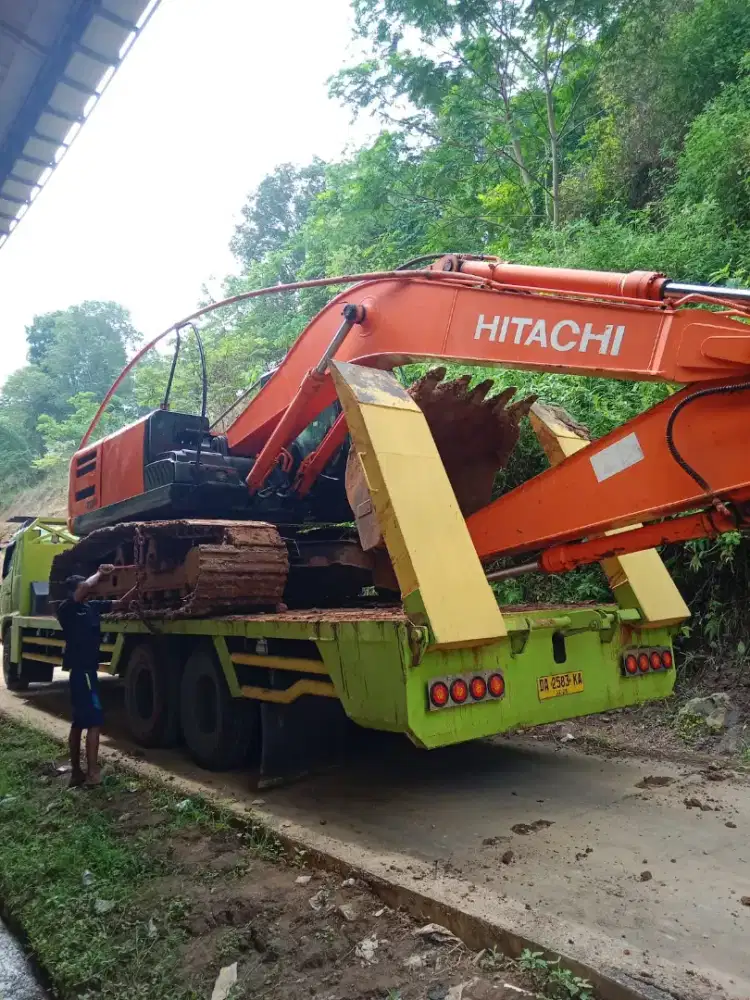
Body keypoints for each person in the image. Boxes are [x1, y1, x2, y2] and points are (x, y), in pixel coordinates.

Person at [56, 565, 134, 787]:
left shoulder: (91, 607)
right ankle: (92, 774)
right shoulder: (67, 608)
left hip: (88, 672)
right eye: (82, 587)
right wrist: (101, 573)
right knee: (93, 722)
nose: (88, 589)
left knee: (80, 722)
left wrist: (138, 587)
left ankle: (77, 773)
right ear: (74, 590)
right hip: (82, 673)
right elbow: (86, 586)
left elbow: (120, 604)